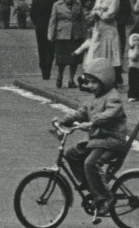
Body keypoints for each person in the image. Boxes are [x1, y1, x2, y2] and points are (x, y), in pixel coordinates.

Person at [54, 57, 128, 214]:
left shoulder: (113, 97)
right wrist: (63, 120)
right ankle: (90, 184)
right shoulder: (94, 98)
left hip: (113, 141)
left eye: (94, 82)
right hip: (99, 141)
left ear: (105, 80)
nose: (91, 86)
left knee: (90, 163)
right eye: (88, 82)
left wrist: (92, 123)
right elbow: (81, 112)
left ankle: (105, 198)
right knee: (71, 153)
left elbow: (111, 114)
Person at [88, 0, 123, 86]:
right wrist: (93, 14)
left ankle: (113, 79)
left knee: (110, 53)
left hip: (109, 30)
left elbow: (110, 14)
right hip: (98, 28)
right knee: (97, 52)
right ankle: (97, 77)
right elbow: (94, 9)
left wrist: (99, 14)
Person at [46, 0, 83, 88]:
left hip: (75, 35)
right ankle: (60, 77)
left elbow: (82, 21)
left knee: (74, 59)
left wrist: (84, 35)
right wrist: (50, 34)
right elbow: (53, 21)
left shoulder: (78, 6)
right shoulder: (57, 5)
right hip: (61, 35)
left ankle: (71, 80)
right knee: (62, 59)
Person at [29, 0, 56, 80]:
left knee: (41, 49)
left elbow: (32, 14)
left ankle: (44, 70)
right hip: (51, 27)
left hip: (40, 27)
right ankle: (48, 68)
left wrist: (37, 23)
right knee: (51, 49)